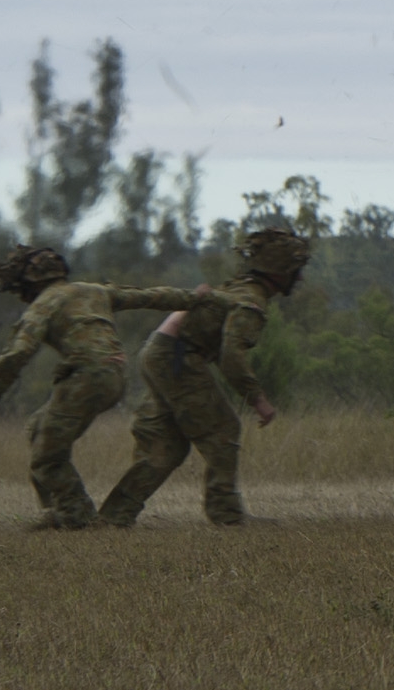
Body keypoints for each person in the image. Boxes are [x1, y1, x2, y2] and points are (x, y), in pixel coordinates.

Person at [0, 246, 217, 529]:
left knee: (46, 457)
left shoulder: (44, 304)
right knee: (38, 428)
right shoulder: (94, 291)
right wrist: (193, 297)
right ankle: (56, 509)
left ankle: (79, 520)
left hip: (85, 378)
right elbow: (149, 296)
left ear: (27, 284)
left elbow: (18, 352)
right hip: (114, 376)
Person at [100, 221, 309, 530]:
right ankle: (227, 514)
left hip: (159, 351)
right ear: (280, 271)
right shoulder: (251, 303)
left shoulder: (238, 288)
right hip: (176, 356)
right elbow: (232, 356)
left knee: (167, 447)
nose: (298, 277)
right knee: (223, 430)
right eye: (295, 269)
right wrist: (258, 400)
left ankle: (113, 517)